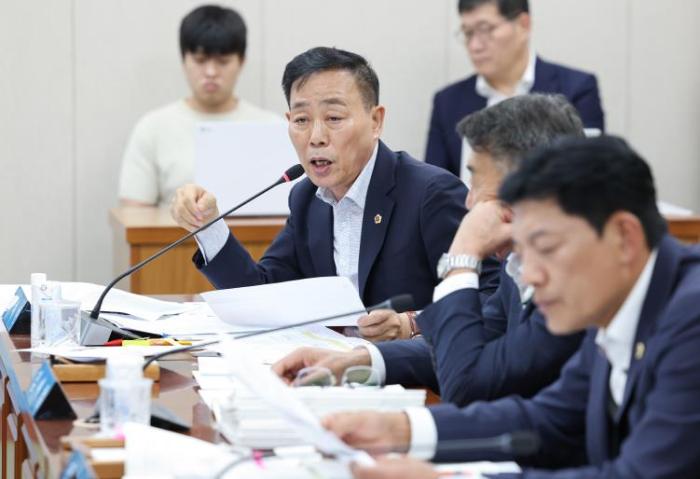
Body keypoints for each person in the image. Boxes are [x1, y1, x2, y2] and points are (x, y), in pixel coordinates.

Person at [325, 136, 700, 478]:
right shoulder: (614, 304)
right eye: (522, 250)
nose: (531, 275)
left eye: (547, 248)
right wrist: (401, 429)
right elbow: (550, 419)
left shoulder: (691, 317)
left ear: (624, 238)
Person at [273, 94, 585, 404]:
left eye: (479, 184)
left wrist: (462, 257)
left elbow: (466, 382)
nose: (470, 202)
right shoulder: (517, 268)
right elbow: (463, 346)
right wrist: (358, 360)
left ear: (533, 187)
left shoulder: (575, 284)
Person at [170, 46, 481, 338]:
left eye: (334, 118)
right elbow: (260, 296)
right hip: (332, 368)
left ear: (376, 121)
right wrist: (208, 226)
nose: (316, 137)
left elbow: (487, 297)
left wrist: (412, 324)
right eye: (302, 120)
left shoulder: (430, 193)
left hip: (415, 372)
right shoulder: (307, 199)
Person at [118, 5, 281, 207]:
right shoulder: (152, 128)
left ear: (241, 62)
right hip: (174, 229)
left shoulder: (273, 127)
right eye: (200, 60)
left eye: (223, 61)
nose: (211, 72)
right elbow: (134, 213)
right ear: (184, 60)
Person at [425, 0, 604, 178]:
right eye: (468, 33)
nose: (474, 46)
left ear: (523, 24)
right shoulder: (447, 101)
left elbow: (586, 175)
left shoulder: (576, 89)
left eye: (485, 30)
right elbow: (436, 184)